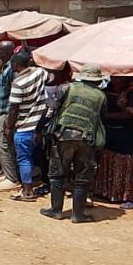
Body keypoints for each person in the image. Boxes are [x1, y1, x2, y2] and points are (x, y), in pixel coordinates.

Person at [40, 64, 107, 223]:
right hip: (86, 138)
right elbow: (103, 116)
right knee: (82, 177)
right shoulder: (101, 96)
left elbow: (55, 107)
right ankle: (78, 215)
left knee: (57, 174)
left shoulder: (66, 88)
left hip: (64, 135)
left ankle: (56, 210)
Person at [4, 52, 48, 202]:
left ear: (16, 65)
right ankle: (44, 184)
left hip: (25, 126)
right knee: (41, 156)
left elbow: (14, 108)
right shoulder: (40, 72)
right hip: (42, 124)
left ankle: (28, 191)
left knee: (24, 159)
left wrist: (9, 127)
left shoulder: (18, 83)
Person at [93, 77, 133, 207]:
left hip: (128, 133)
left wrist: (107, 116)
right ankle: (108, 192)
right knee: (108, 155)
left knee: (127, 161)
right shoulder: (108, 88)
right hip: (111, 131)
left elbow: (131, 113)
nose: (115, 78)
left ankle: (130, 196)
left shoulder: (132, 91)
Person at [0, 41, 20, 192]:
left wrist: (9, 118)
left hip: (8, 113)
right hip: (2, 111)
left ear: (6, 52)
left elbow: (14, 96)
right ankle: (6, 172)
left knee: (1, 144)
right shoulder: (4, 67)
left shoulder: (12, 69)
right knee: (5, 144)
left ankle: (11, 178)